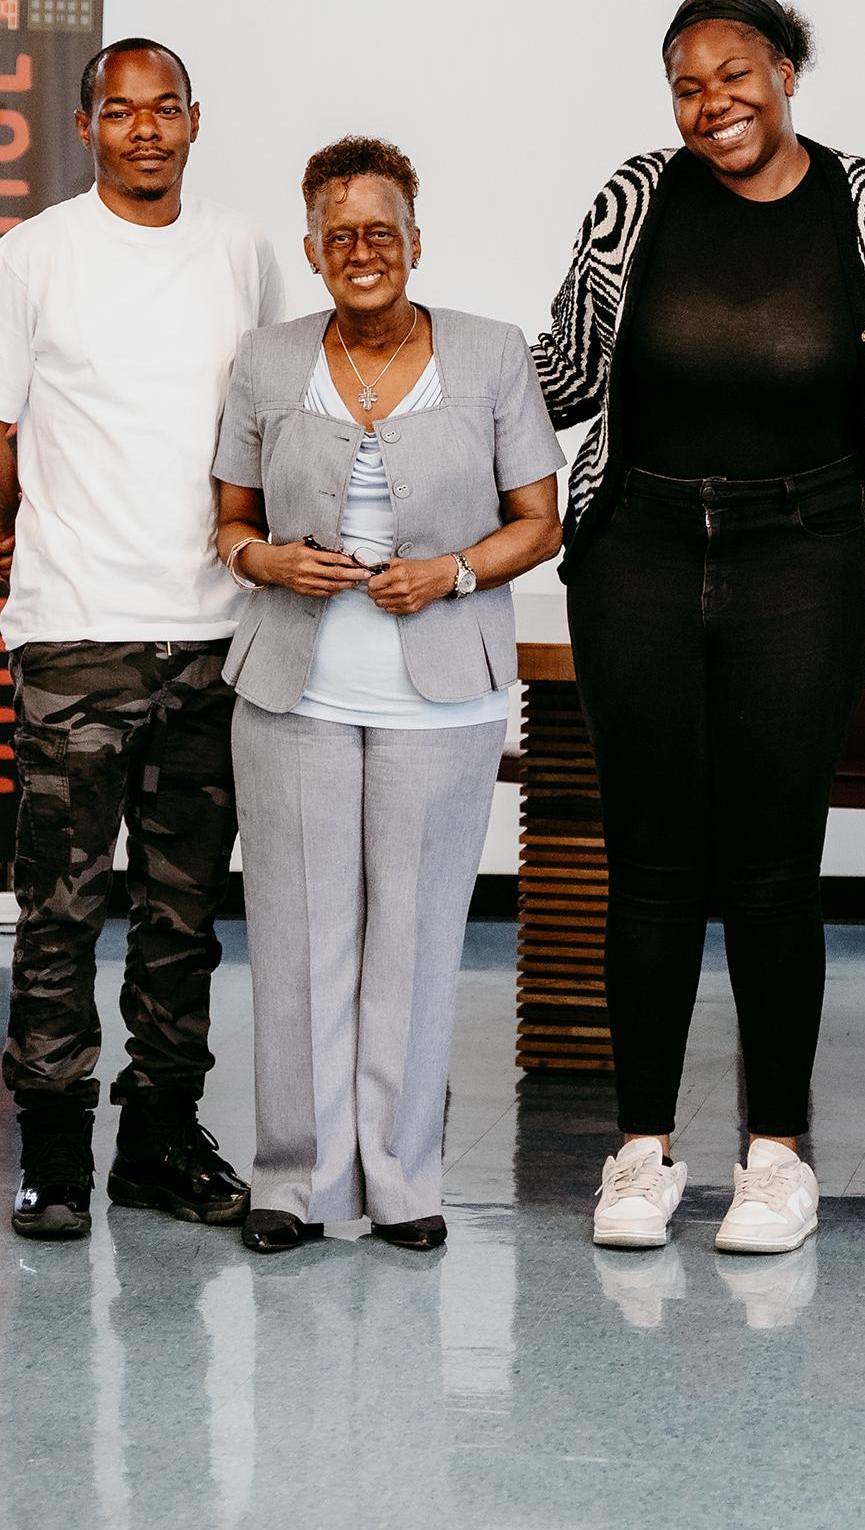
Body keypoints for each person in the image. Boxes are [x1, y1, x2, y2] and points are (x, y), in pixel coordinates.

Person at [533, 0, 865, 1252]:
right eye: (686, 82)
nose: (712, 101)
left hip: (801, 553)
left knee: (774, 866)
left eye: (735, 72)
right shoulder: (635, 198)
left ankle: (777, 1157)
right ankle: (640, 1154)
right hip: (641, 552)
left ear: (787, 70)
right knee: (652, 865)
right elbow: (561, 376)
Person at [214, 135, 563, 1254]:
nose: (362, 251)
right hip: (294, 690)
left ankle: (404, 1181)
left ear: (417, 242)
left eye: (383, 231)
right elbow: (228, 523)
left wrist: (452, 572)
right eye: (340, 235)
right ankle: (297, 1183)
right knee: (301, 936)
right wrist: (269, 560)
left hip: (444, 691)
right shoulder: (268, 363)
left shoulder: (490, 353)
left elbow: (538, 521)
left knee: (413, 940)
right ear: (313, 250)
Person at [0, 36, 284, 1239]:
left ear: (197, 119)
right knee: (59, 909)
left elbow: (271, 421)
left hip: (213, 633)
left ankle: (160, 1143)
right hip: (77, 628)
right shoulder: (35, 257)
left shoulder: (241, 250)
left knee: (183, 916)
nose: (147, 130)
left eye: (166, 109)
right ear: (88, 126)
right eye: (122, 113)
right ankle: (57, 1156)